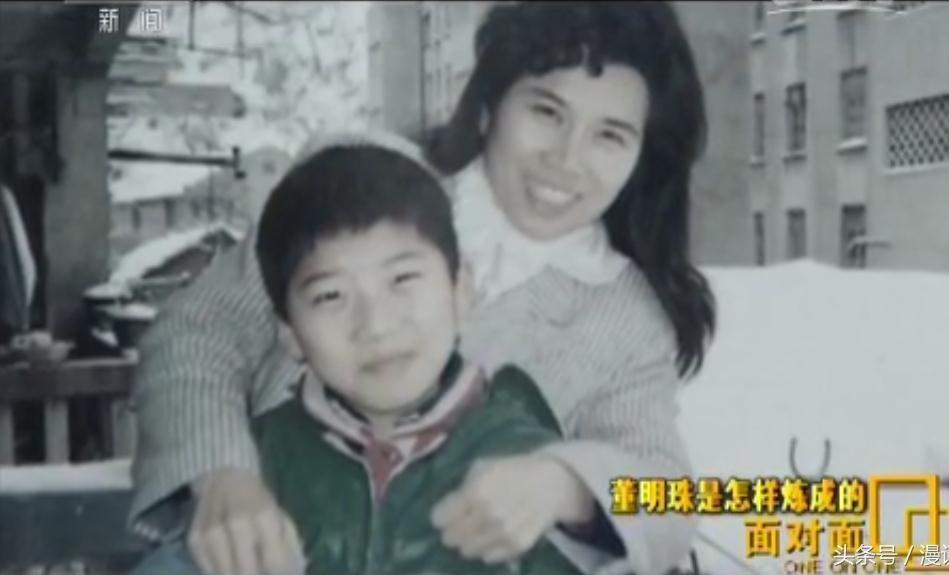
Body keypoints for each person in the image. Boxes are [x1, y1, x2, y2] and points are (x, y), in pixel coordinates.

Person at [129, 3, 715, 575]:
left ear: (641, 157)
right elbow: (197, 332)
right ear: (488, 106)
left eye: (610, 136)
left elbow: (670, 497)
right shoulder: (364, 182)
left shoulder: (624, 316)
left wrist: (567, 485)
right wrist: (222, 475)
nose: (566, 159)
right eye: (546, 112)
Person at [134, 138, 586, 575]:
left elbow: (637, 495)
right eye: (331, 296)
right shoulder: (261, 463)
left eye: (402, 280)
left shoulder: (522, 450)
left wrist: (577, 490)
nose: (376, 324)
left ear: (461, 290)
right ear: (290, 334)